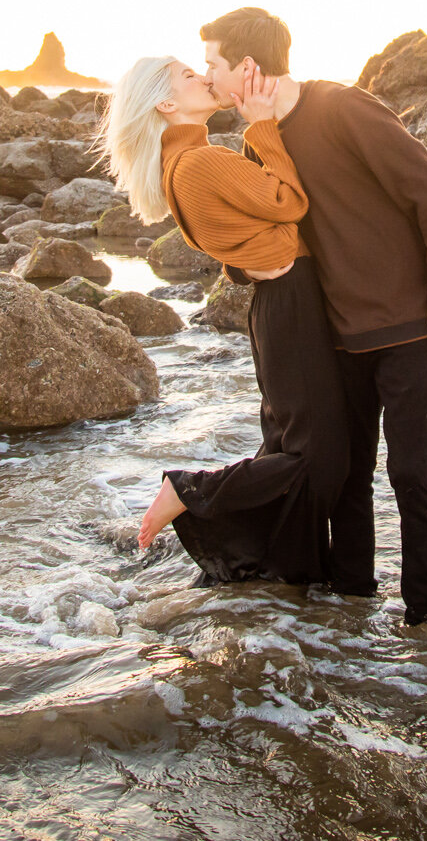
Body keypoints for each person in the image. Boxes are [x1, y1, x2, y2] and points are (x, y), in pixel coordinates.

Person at [198, 7, 427, 627]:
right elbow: (266, 237)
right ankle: (353, 606)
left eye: (213, 64)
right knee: (347, 479)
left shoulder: (343, 108)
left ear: (246, 66)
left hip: (406, 328)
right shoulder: (257, 141)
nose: (208, 77)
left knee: (412, 476)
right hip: (332, 336)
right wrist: (243, 267)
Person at [99, 54, 349, 587]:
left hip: (278, 306)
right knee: (317, 458)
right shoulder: (201, 162)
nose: (204, 77)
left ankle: (284, 576)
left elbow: (242, 242)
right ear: (167, 104)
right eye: (190, 75)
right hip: (290, 304)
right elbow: (289, 202)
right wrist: (261, 124)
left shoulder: (184, 163)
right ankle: (189, 489)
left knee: (289, 449)